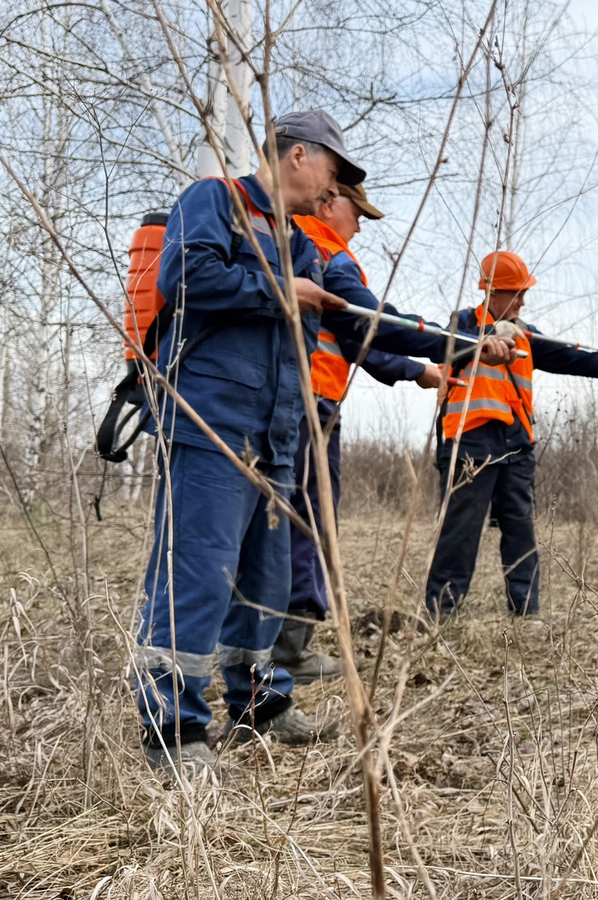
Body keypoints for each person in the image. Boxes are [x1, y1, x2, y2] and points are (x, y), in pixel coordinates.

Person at [135, 109, 361, 778]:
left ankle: (261, 708)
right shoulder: (214, 201)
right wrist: (276, 290)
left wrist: (451, 351)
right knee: (196, 578)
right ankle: (173, 735)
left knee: (266, 583)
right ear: (297, 155)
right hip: (211, 425)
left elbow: (369, 322)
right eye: (333, 169)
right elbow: (187, 279)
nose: (336, 188)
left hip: (277, 436)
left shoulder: (307, 242)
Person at [273, 182, 453, 681]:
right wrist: (454, 346)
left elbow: (356, 340)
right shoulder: (326, 251)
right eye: (357, 215)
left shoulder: (279, 242)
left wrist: (419, 371)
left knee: (278, 524)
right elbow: (371, 326)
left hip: (284, 404)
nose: (360, 228)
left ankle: (271, 649)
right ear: (329, 203)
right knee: (309, 524)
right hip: (310, 410)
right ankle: (288, 652)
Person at [425, 250, 598, 619]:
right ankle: (443, 614)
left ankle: (527, 612)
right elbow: (450, 348)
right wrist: (489, 334)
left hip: (516, 444)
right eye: (515, 292)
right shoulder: (460, 326)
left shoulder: (524, 336)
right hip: (469, 443)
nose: (521, 300)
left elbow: (576, 356)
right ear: (491, 293)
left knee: (520, 531)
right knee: (460, 532)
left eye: (523, 293)